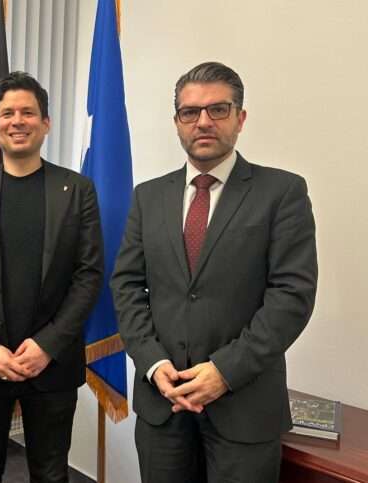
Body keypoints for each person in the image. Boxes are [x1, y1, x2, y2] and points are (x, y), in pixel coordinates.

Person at [111, 61, 318, 482]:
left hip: (245, 406)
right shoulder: (148, 196)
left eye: (218, 109)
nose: (203, 122)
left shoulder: (282, 192)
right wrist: (152, 362)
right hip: (163, 403)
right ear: (177, 122)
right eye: (190, 112)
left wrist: (224, 371)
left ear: (240, 118)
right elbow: (127, 286)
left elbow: (291, 296)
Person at [0, 71, 103, 483]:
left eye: (28, 112)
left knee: (51, 473)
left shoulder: (77, 190)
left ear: (45, 123)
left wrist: (47, 345)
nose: (17, 121)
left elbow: (88, 276)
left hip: (53, 363)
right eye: (8, 113)